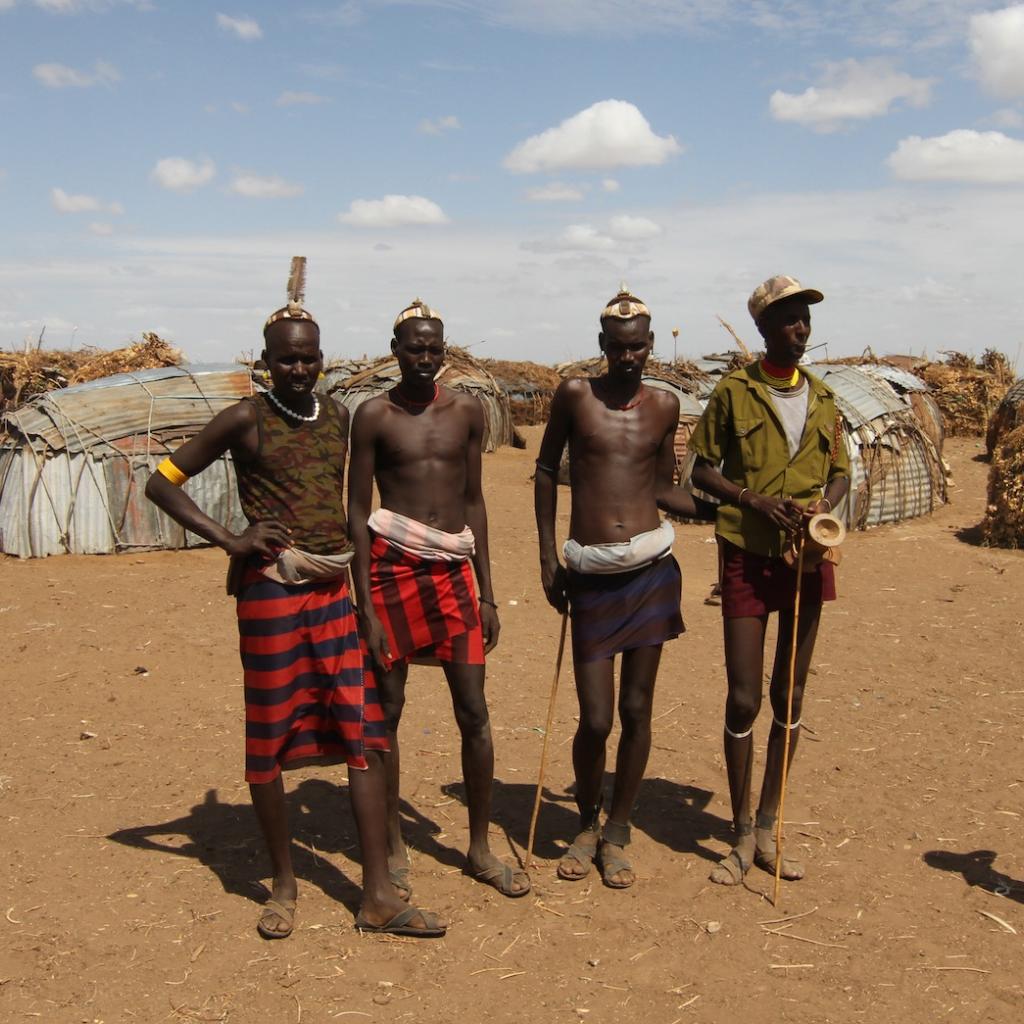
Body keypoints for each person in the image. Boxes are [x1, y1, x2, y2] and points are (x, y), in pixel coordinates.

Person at [145, 260, 444, 939]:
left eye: (308, 359)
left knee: (364, 729)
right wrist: (230, 538)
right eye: (286, 361)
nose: (299, 371)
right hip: (272, 593)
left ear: (322, 359)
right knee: (271, 735)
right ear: (265, 362)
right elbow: (162, 483)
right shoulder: (243, 419)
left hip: (336, 588)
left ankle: (376, 895)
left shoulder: (339, 417)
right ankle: (282, 884)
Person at [348, 298, 530, 900]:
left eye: (433, 347)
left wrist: (489, 593)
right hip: (391, 573)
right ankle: (395, 843)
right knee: (389, 712)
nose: (423, 357)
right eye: (412, 346)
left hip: (454, 574)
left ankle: (478, 846)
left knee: (474, 712)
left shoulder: (467, 412)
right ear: (395, 350)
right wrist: (365, 607)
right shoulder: (372, 415)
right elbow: (356, 511)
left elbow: (475, 499)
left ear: (444, 351)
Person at [534, 286, 714, 889]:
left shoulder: (664, 405)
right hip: (589, 575)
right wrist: (545, 555)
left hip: (650, 571)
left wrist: (720, 508)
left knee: (637, 709)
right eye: (618, 347)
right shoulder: (575, 396)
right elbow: (543, 471)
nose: (629, 356)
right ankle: (584, 822)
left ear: (651, 344)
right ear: (602, 345)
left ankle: (617, 829)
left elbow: (662, 488)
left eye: (638, 347)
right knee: (596, 718)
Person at [689, 274, 850, 887]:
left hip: (807, 557)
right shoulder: (733, 393)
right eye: (788, 319)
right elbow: (701, 470)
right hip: (747, 553)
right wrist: (751, 500)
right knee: (743, 696)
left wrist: (822, 509)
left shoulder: (825, 398)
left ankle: (767, 825)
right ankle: (735, 835)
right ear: (762, 328)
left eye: (804, 317)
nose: (800, 328)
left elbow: (839, 471)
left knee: (792, 694)